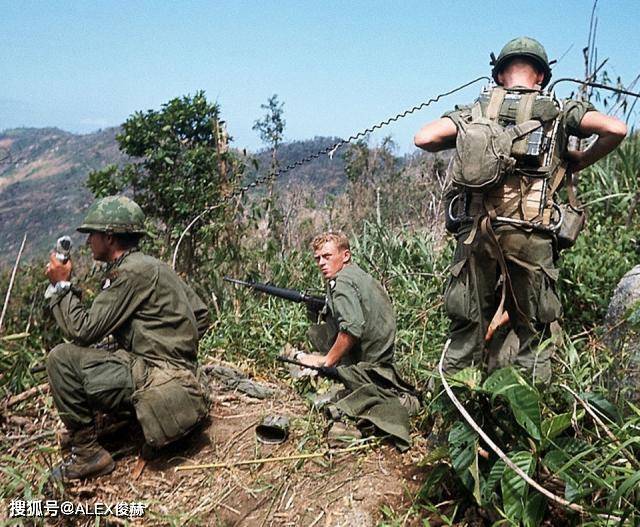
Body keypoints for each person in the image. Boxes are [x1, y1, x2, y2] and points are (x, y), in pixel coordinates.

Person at [414, 36, 627, 384]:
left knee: (467, 327)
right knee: (534, 335)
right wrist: (581, 160)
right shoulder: (558, 110)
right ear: (541, 76)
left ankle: (457, 412)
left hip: (476, 232)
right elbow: (616, 129)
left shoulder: (476, 111)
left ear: (499, 76)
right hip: (530, 233)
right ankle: (525, 426)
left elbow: (423, 138)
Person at [45, 195, 211, 480]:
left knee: (60, 359)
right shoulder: (152, 265)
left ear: (109, 238)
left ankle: (87, 454)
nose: (88, 243)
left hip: (156, 374)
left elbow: (81, 330)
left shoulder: (127, 273)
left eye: (93, 235)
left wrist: (61, 285)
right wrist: (169, 348)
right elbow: (201, 314)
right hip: (180, 373)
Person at [296, 231, 418, 450]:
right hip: (382, 352)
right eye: (318, 258)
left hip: (371, 362)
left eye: (327, 256)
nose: (322, 263)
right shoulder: (356, 274)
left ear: (345, 255)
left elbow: (352, 329)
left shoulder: (340, 282)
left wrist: (327, 362)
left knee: (334, 395)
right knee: (318, 332)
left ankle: (392, 397)